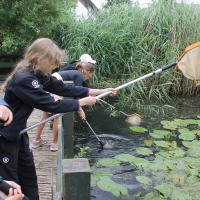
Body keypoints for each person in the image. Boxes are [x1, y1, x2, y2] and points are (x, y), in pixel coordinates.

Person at [0, 38, 115, 200]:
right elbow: (49, 104)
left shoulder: (39, 74)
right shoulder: (24, 78)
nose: (55, 67)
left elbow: (62, 87)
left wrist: (97, 91)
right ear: (40, 59)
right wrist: (80, 103)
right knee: (12, 185)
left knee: (30, 180)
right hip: (5, 138)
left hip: (20, 134)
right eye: (53, 62)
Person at [32, 54, 97, 151]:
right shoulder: (79, 75)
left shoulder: (72, 68)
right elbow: (75, 94)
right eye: (91, 74)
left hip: (48, 85)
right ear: (87, 70)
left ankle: (36, 141)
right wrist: (80, 110)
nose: (91, 76)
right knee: (57, 115)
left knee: (45, 114)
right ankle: (54, 144)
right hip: (53, 86)